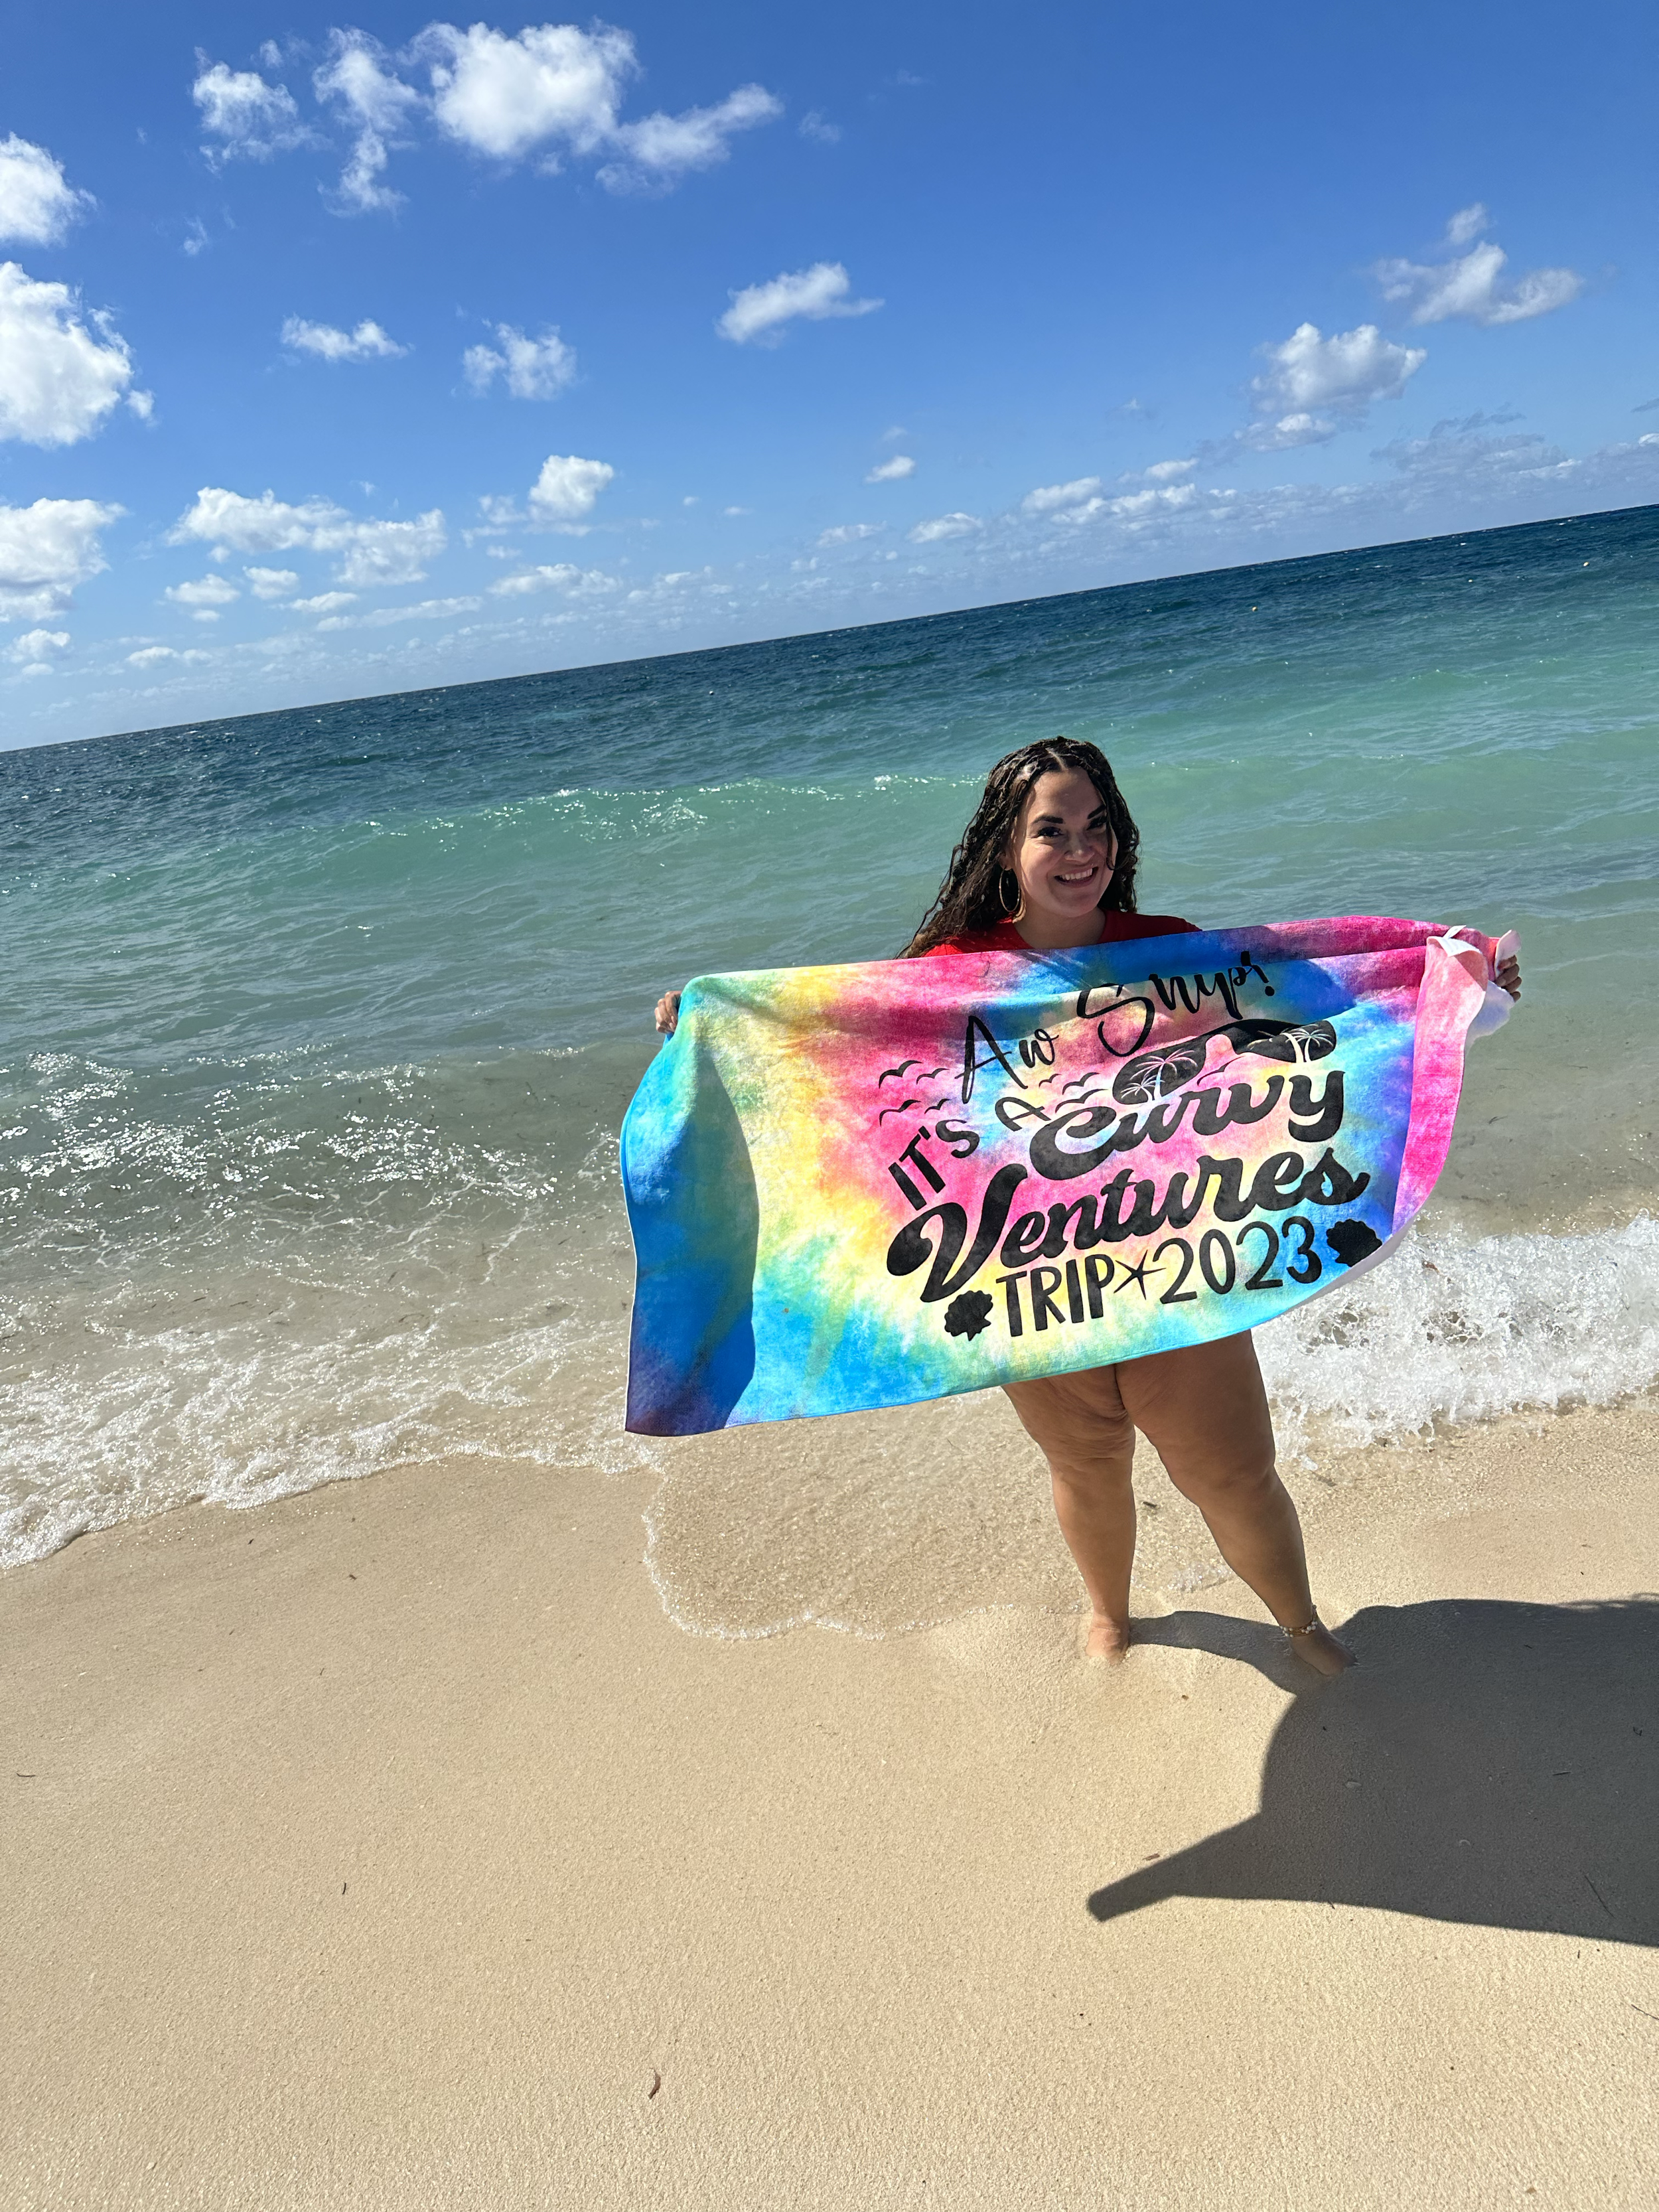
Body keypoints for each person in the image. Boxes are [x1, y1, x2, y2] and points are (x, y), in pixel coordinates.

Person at [653, 737, 1522, 1676]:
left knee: (1230, 1472)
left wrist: (1451, 987)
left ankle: (1302, 1627)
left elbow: (1320, 1017)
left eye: (1098, 826)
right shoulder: (949, 973)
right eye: (1053, 830)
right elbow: (839, 1060)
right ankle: (1109, 1615)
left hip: (1180, 1260)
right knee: (1086, 1463)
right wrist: (709, 1025)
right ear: (1006, 851)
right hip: (1031, 1270)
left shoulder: (1171, 953)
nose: (1082, 850)